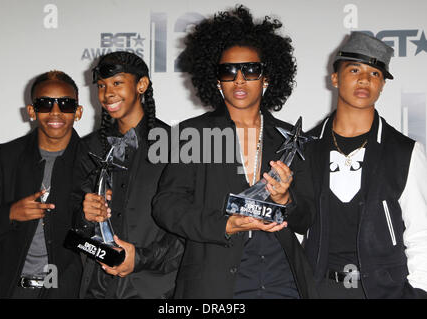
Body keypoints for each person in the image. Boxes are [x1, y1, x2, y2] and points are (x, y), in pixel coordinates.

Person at [152, 6, 317, 299]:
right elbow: (166, 206)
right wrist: (224, 224)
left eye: (250, 69)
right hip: (214, 281)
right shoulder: (193, 135)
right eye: (228, 71)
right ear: (216, 80)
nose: (239, 79)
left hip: (282, 279)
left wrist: (285, 199)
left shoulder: (291, 137)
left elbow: (307, 217)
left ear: (266, 77)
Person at [303, 31, 427, 298]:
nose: (364, 79)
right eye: (355, 69)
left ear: (382, 85)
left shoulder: (405, 152)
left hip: (385, 291)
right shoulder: (306, 147)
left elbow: (421, 233)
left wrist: (418, 292)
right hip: (317, 289)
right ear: (335, 78)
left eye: (375, 74)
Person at [72, 51, 183, 299]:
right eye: (101, 86)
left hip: (155, 290)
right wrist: (84, 214)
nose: (107, 93)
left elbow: (187, 227)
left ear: (141, 85)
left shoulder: (174, 146)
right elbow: (72, 224)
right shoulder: (87, 148)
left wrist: (140, 258)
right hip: (96, 289)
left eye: (117, 83)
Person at [0, 70, 84, 298]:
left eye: (65, 104)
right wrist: (11, 213)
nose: (55, 112)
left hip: (67, 290)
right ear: (32, 111)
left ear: (78, 112)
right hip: (8, 287)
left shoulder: (94, 159)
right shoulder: (6, 155)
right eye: (45, 104)